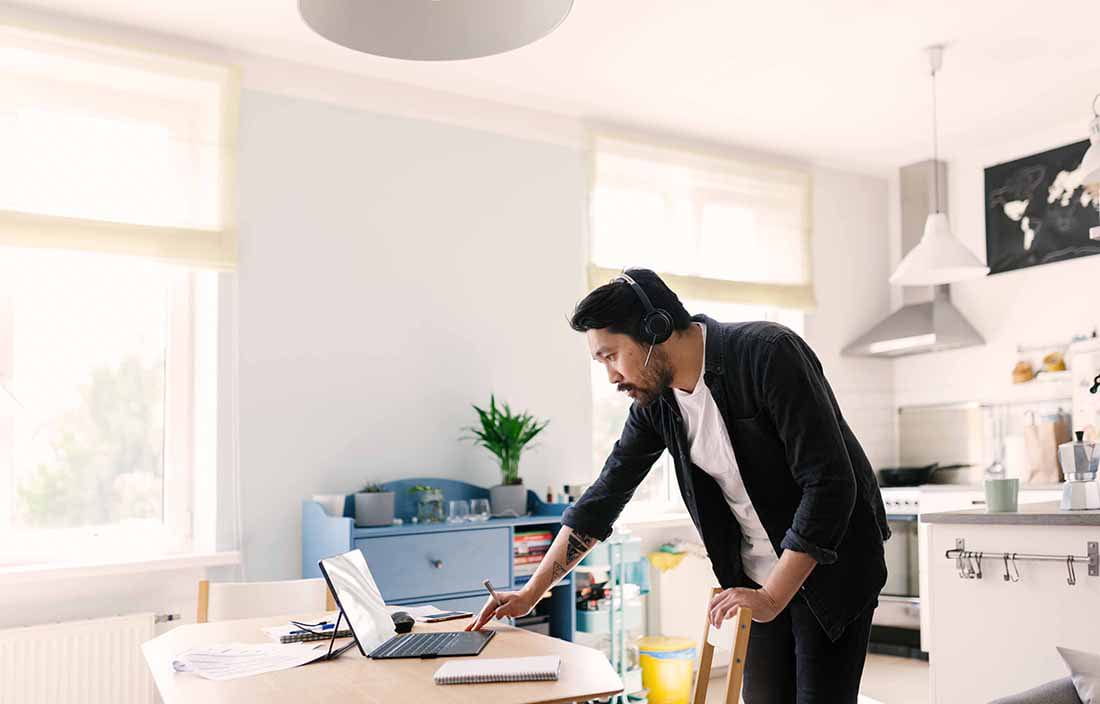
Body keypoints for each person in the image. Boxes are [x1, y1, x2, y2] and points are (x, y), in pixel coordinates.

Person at [469, 268, 889, 704]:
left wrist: (771, 596)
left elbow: (830, 485)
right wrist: (529, 593)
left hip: (830, 567)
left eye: (612, 355)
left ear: (655, 329)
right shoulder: (658, 405)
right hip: (760, 577)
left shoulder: (767, 354)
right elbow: (603, 499)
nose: (612, 376)